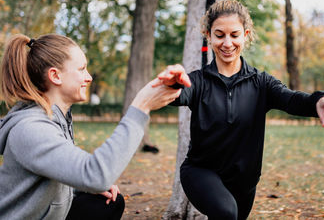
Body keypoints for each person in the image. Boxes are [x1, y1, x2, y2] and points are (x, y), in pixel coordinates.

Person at [157, 0, 324, 220]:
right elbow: (177, 94)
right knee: (226, 213)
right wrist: (172, 83)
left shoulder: (261, 83)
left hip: (244, 180)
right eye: (219, 35)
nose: (227, 43)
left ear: (245, 35)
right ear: (208, 36)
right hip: (201, 172)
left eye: (234, 35)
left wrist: (319, 100)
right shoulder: (197, 82)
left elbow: (291, 99)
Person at [0, 34, 190, 220]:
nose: (89, 77)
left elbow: (51, 175)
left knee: (106, 203)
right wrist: (141, 106)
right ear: (55, 76)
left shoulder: (56, 118)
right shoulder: (31, 129)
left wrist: (83, 186)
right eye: (81, 69)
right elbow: (96, 175)